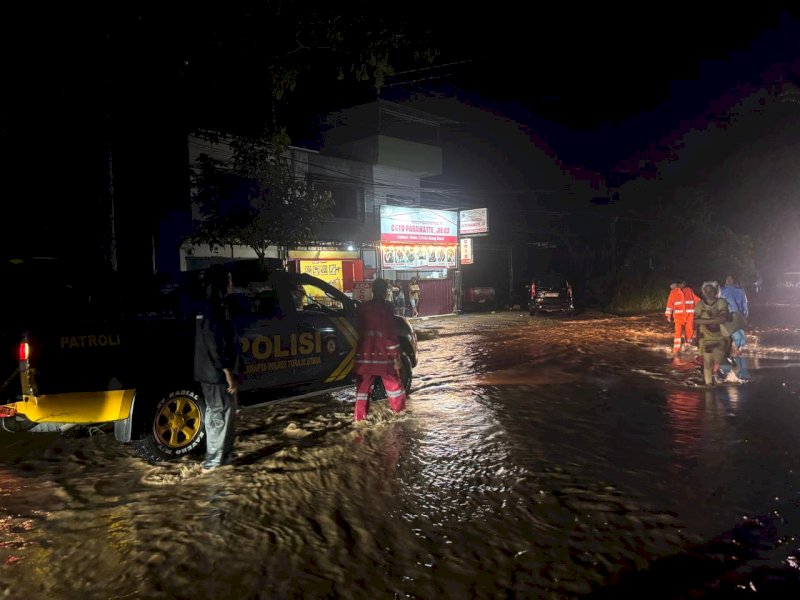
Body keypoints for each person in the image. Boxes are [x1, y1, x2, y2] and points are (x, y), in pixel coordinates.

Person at [194, 265, 239, 469]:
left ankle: (225, 455)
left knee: (222, 413)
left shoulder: (210, 306)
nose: (232, 284)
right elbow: (215, 343)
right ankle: (213, 462)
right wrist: (227, 371)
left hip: (209, 372)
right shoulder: (214, 308)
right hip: (216, 374)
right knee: (220, 415)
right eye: (229, 280)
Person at [352, 278, 406, 421]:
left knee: (362, 390)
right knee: (394, 387)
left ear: (373, 290)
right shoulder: (386, 309)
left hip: (365, 355)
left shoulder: (363, 308)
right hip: (383, 356)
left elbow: (357, 330)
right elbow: (390, 335)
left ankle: (359, 419)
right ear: (384, 291)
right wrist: (396, 357)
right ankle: (400, 415)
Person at [694, 281, 737, 386]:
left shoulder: (721, 302)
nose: (708, 293)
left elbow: (723, 318)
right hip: (706, 338)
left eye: (711, 290)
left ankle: (734, 370)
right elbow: (696, 321)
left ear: (715, 292)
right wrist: (714, 320)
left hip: (720, 337)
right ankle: (709, 386)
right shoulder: (700, 304)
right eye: (706, 291)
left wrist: (705, 320)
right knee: (707, 364)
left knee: (721, 359)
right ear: (703, 292)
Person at [720, 274, 750, 380]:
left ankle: (732, 356)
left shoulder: (723, 291)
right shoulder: (739, 291)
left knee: (728, 336)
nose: (728, 280)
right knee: (738, 335)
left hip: (728, 316)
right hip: (735, 316)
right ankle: (737, 351)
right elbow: (744, 305)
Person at [665, 279, 700, 353]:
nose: (684, 284)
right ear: (679, 284)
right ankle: (676, 349)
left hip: (689, 316)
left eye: (684, 283)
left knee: (689, 331)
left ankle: (688, 346)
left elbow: (696, 300)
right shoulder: (673, 292)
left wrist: (702, 307)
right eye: (682, 283)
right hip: (678, 316)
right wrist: (668, 314)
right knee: (678, 332)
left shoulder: (689, 290)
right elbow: (669, 304)